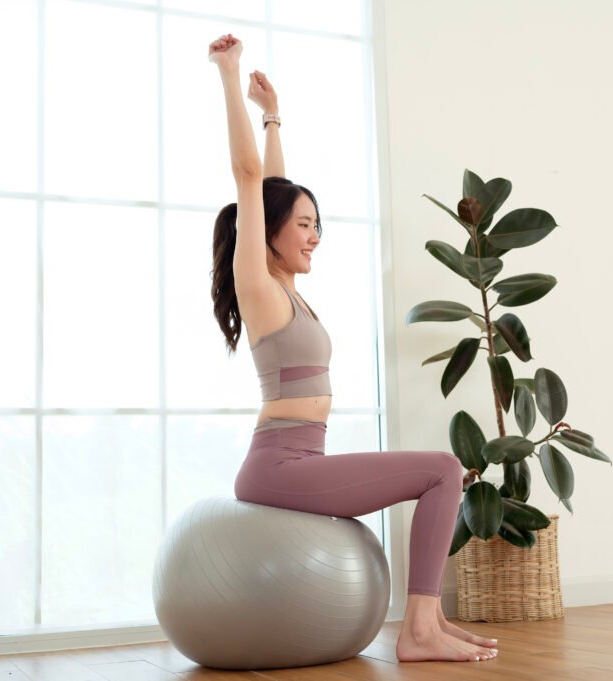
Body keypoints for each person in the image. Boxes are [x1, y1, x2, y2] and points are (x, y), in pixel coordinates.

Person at [206, 34, 499, 664]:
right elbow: (253, 178)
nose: (315, 237)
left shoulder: (287, 290)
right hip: (279, 467)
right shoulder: (257, 286)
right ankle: (419, 631)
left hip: (301, 458)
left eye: (320, 226)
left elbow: (274, 183)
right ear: (271, 231)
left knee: (442, 470)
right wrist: (229, 75)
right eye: (305, 225)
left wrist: (274, 113)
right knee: (443, 469)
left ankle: (430, 623)